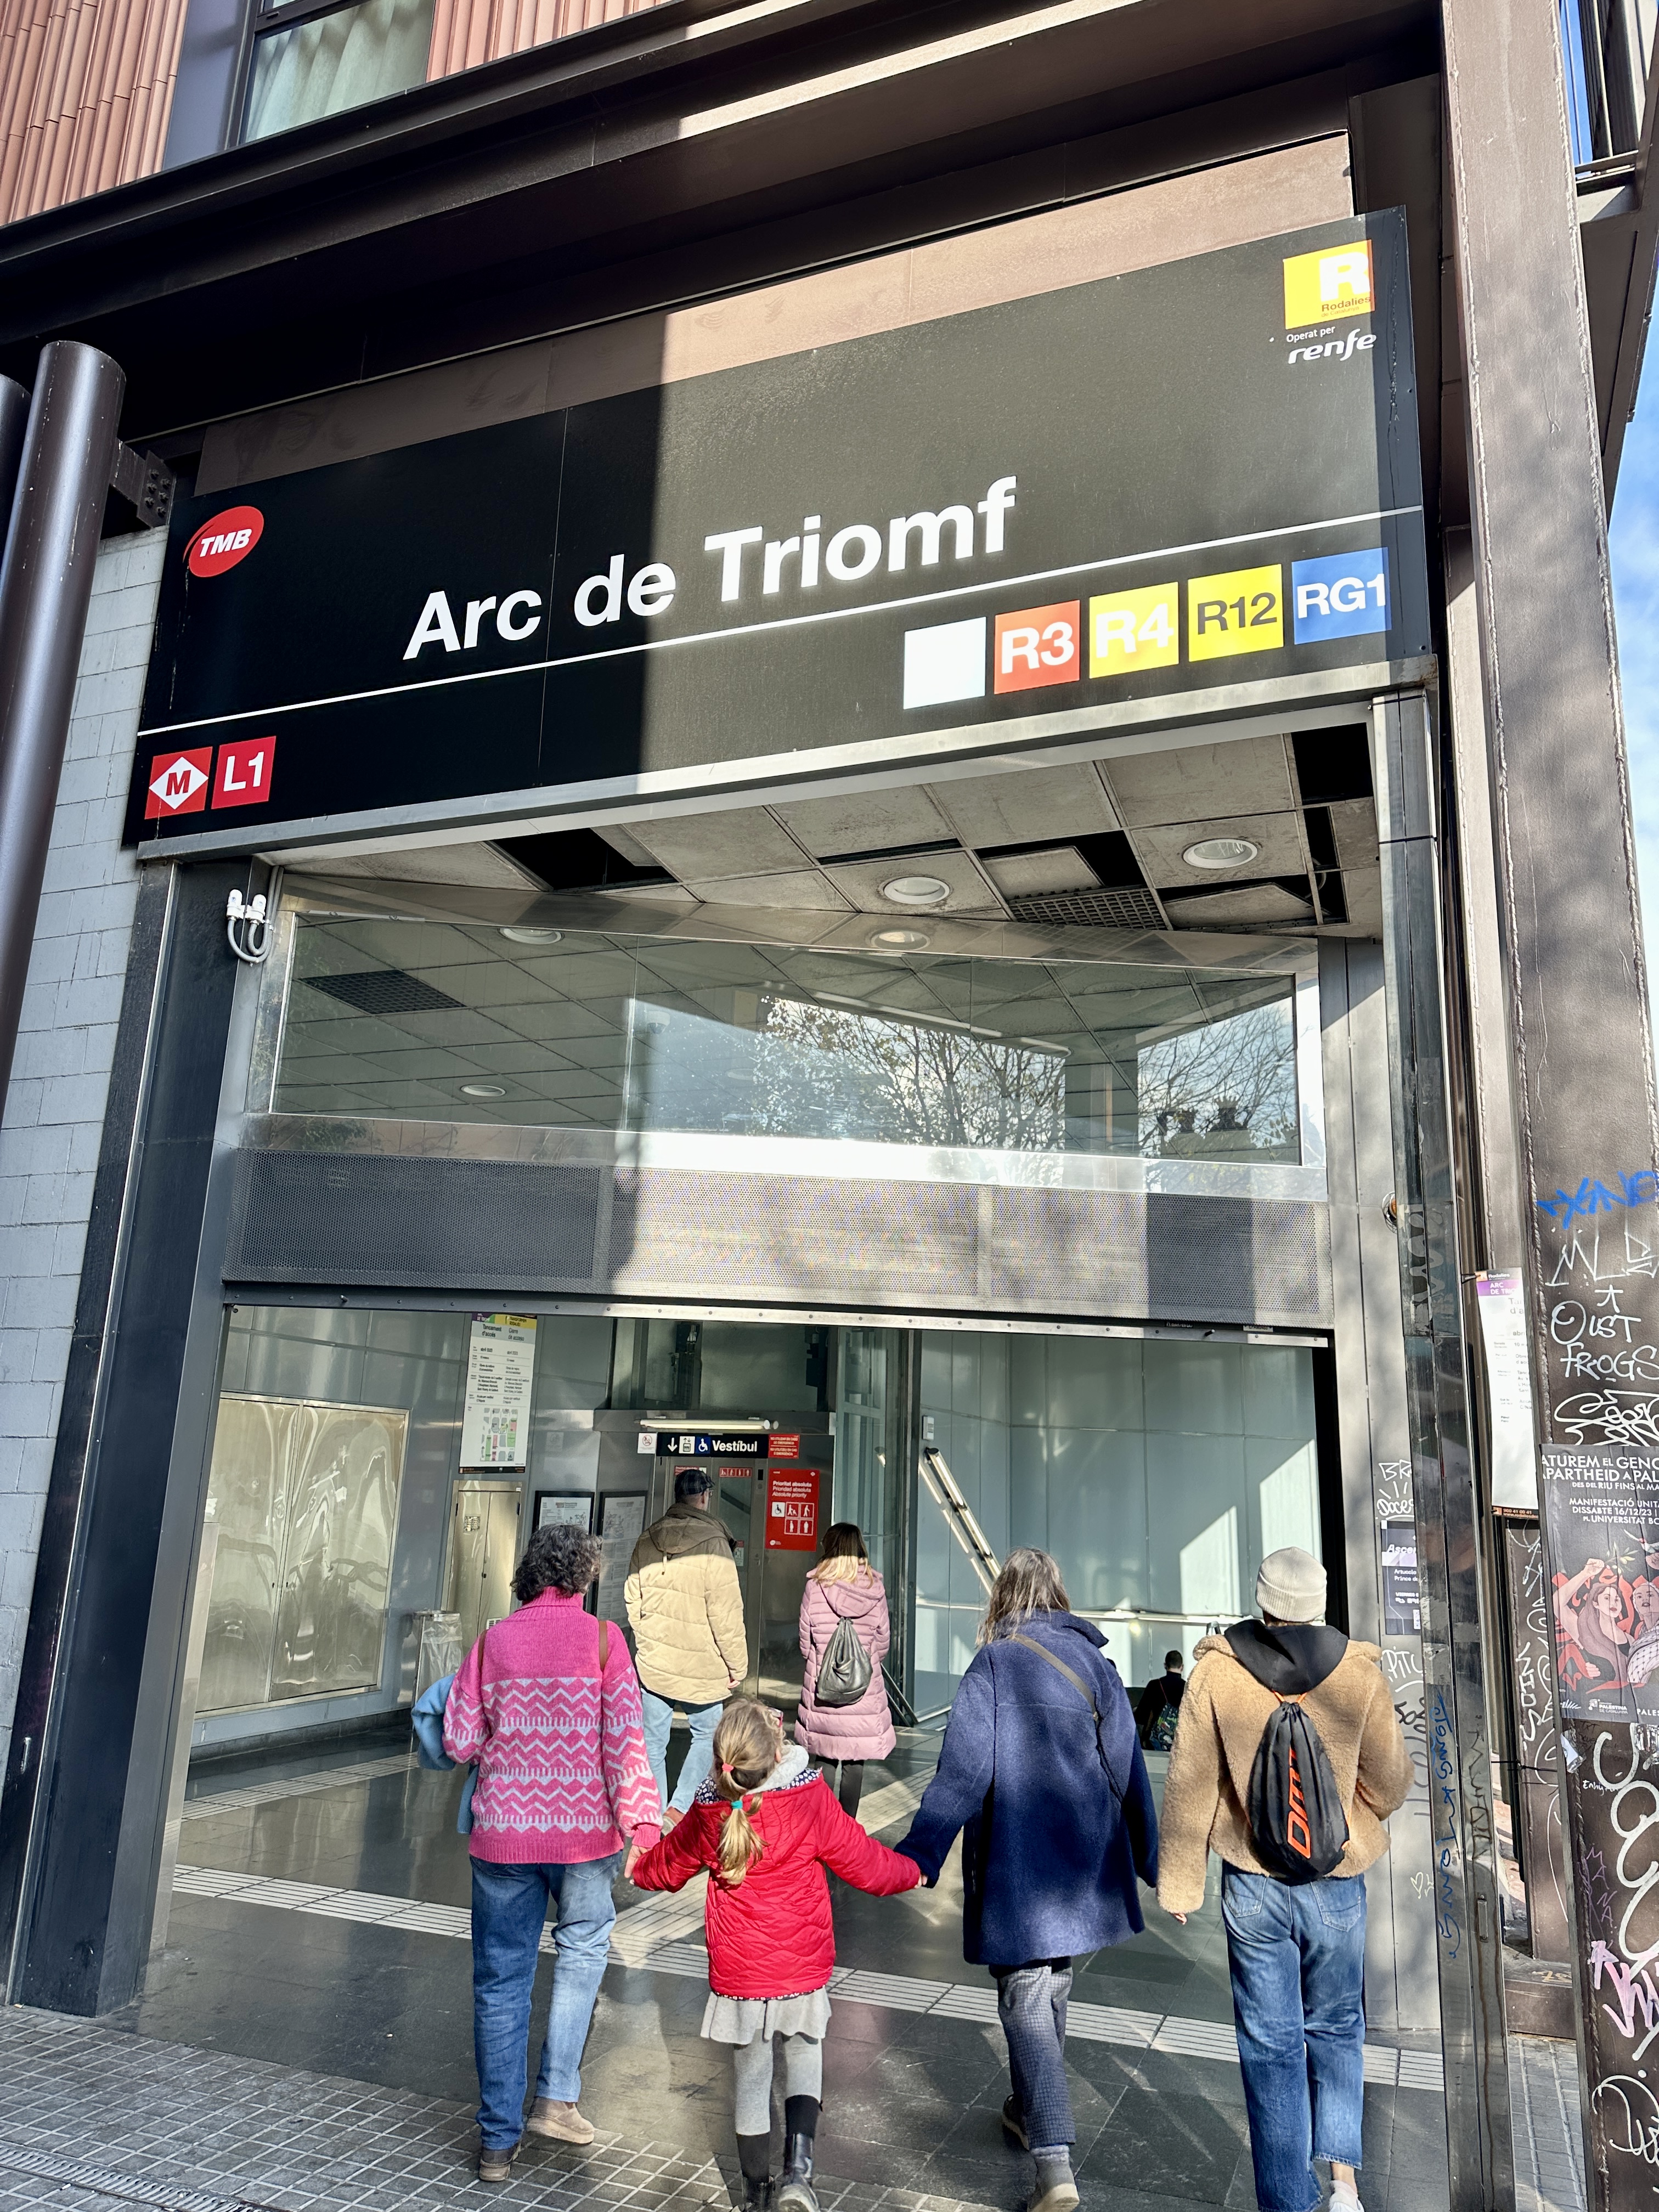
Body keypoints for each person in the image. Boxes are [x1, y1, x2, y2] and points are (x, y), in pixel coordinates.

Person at [895, 1548, 1158, 2212]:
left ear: (1004, 1597)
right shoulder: (1097, 1666)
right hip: (1083, 1866)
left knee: (1025, 1995)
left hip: (1020, 1866)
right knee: (1052, 1983)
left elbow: (962, 1773)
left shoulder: (995, 1663)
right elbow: (1129, 1771)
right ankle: (1024, 2107)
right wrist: (1153, 1861)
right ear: (1059, 1596)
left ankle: (1054, 2162)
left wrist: (922, 1851)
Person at [1156, 1546, 1413, 2212]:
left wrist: (1181, 1883)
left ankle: (1288, 2202)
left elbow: (1190, 1786)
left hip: (1252, 1881)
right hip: (1336, 1881)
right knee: (1337, 2026)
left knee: (1270, 2046)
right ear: (1320, 1603)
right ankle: (1344, 2188)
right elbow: (1390, 1783)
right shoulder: (1358, 1673)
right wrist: (1349, 1814)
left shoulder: (1217, 1672)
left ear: (1262, 1600)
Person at [629, 1696, 923, 2211]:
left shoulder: (709, 1810)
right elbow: (864, 1862)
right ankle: (798, 2178)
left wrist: (639, 1869)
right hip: (801, 1967)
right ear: (777, 1753)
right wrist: (912, 1872)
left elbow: (668, 1865)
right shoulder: (809, 1798)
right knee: (805, 2055)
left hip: (740, 1972)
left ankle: (754, 2194)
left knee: (751, 2076)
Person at [443, 1521, 662, 2185]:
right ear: (584, 1577)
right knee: (583, 1951)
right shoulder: (604, 1641)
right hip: (584, 1838)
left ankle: (496, 2143)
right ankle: (557, 2101)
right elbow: (625, 1743)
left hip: (503, 1836)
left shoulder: (493, 1642)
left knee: (500, 1980)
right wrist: (642, 1825)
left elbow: (458, 1741)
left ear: (528, 1576)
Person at [625, 1466, 749, 1821]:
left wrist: (648, 1639)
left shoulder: (648, 1538)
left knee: (652, 1742)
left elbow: (632, 1598)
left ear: (678, 1496)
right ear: (705, 1497)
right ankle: (679, 1810)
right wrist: (737, 1666)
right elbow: (726, 1614)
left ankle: (651, 1819)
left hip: (656, 1665)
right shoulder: (715, 1545)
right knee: (707, 1736)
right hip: (703, 1666)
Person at [795, 1521, 894, 1817]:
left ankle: (823, 1824)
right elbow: (883, 1642)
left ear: (830, 1548)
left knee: (824, 1756)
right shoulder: (874, 1589)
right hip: (862, 1690)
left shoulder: (815, 1586)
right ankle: (847, 1825)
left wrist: (822, 1664)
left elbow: (805, 1642)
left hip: (823, 1688)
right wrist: (863, 1667)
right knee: (855, 1761)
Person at [1135, 1649, 1186, 1751]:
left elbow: (1141, 1717)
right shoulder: (1188, 1688)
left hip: (1153, 1745)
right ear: (1182, 1667)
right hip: (1180, 1746)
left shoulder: (1154, 1685)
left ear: (1165, 1665)